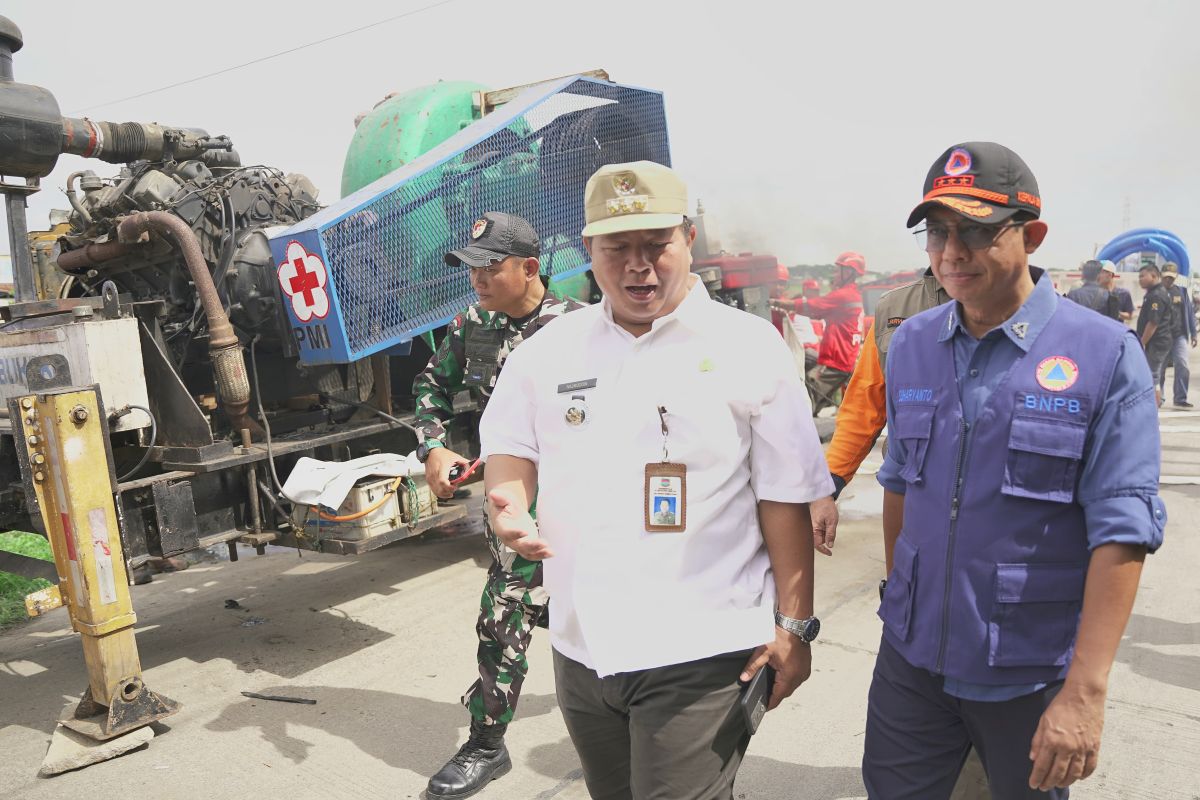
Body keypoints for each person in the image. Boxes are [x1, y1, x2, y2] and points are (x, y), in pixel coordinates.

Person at [477, 160, 835, 799]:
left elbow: (785, 498)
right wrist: (508, 506)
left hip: (701, 647)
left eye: (655, 245)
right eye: (617, 249)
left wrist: (795, 626)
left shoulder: (749, 347)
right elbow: (511, 447)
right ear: (589, 250)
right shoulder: (549, 352)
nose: (637, 265)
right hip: (582, 647)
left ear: (688, 239)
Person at [866, 141, 1166, 799]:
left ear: (1031, 236)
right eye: (938, 232)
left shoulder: (1104, 355)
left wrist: (1084, 693)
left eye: (976, 230)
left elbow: (1123, 528)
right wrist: (901, 598)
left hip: (1028, 673)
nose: (952, 251)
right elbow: (898, 486)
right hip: (911, 668)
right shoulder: (913, 343)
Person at [414, 211, 586, 799]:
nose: (478, 278)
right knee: (503, 616)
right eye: (473, 268)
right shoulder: (474, 323)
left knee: (589, 616)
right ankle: (487, 744)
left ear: (531, 268)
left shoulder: (582, 329)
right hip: (513, 508)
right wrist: (434, 448)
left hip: (583, 510)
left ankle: (632, 723)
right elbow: (431, 387)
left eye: (491, 267)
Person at [824, 268, 950, 500]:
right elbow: (865, 401)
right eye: (936, 233)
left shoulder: (1023, 308)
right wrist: (830, 482)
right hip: (910, 484)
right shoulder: (895, 307)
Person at [772, 253, 866, 414]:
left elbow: (814, 306)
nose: (834, 275)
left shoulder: (843, 295)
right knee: (814, 404)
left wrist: (776, 303)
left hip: (834, 362)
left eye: (838, 271)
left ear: (849, 272)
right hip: (844, 360)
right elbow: (818, 312)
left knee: (804, 401)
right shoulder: (852, 295)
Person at [1159, 262, 1197, 407]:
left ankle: (1180, 398)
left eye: (1171, 278)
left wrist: (1193, 333)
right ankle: (1159, 398)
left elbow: (1189, 313)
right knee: (1160, 368)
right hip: (1161, 337)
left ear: (1175, 277)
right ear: (1162, 276)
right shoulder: (1156, 292)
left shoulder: (1181, 292)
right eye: (1166, 277)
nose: (1169, 280)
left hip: (1179, 336)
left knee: (1183, 365)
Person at [1136, 263, 1174, 408]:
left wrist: (1142, 342)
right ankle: (1153, 405)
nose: (1140, 279)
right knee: (1153, 374)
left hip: (1157, 342)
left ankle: (1154, 406)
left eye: (1142, 276)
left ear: (1154, 275)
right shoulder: (1153, 293)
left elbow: (1153, 323)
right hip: (1158, 342)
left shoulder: (1156, 295)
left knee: (1152, 375)